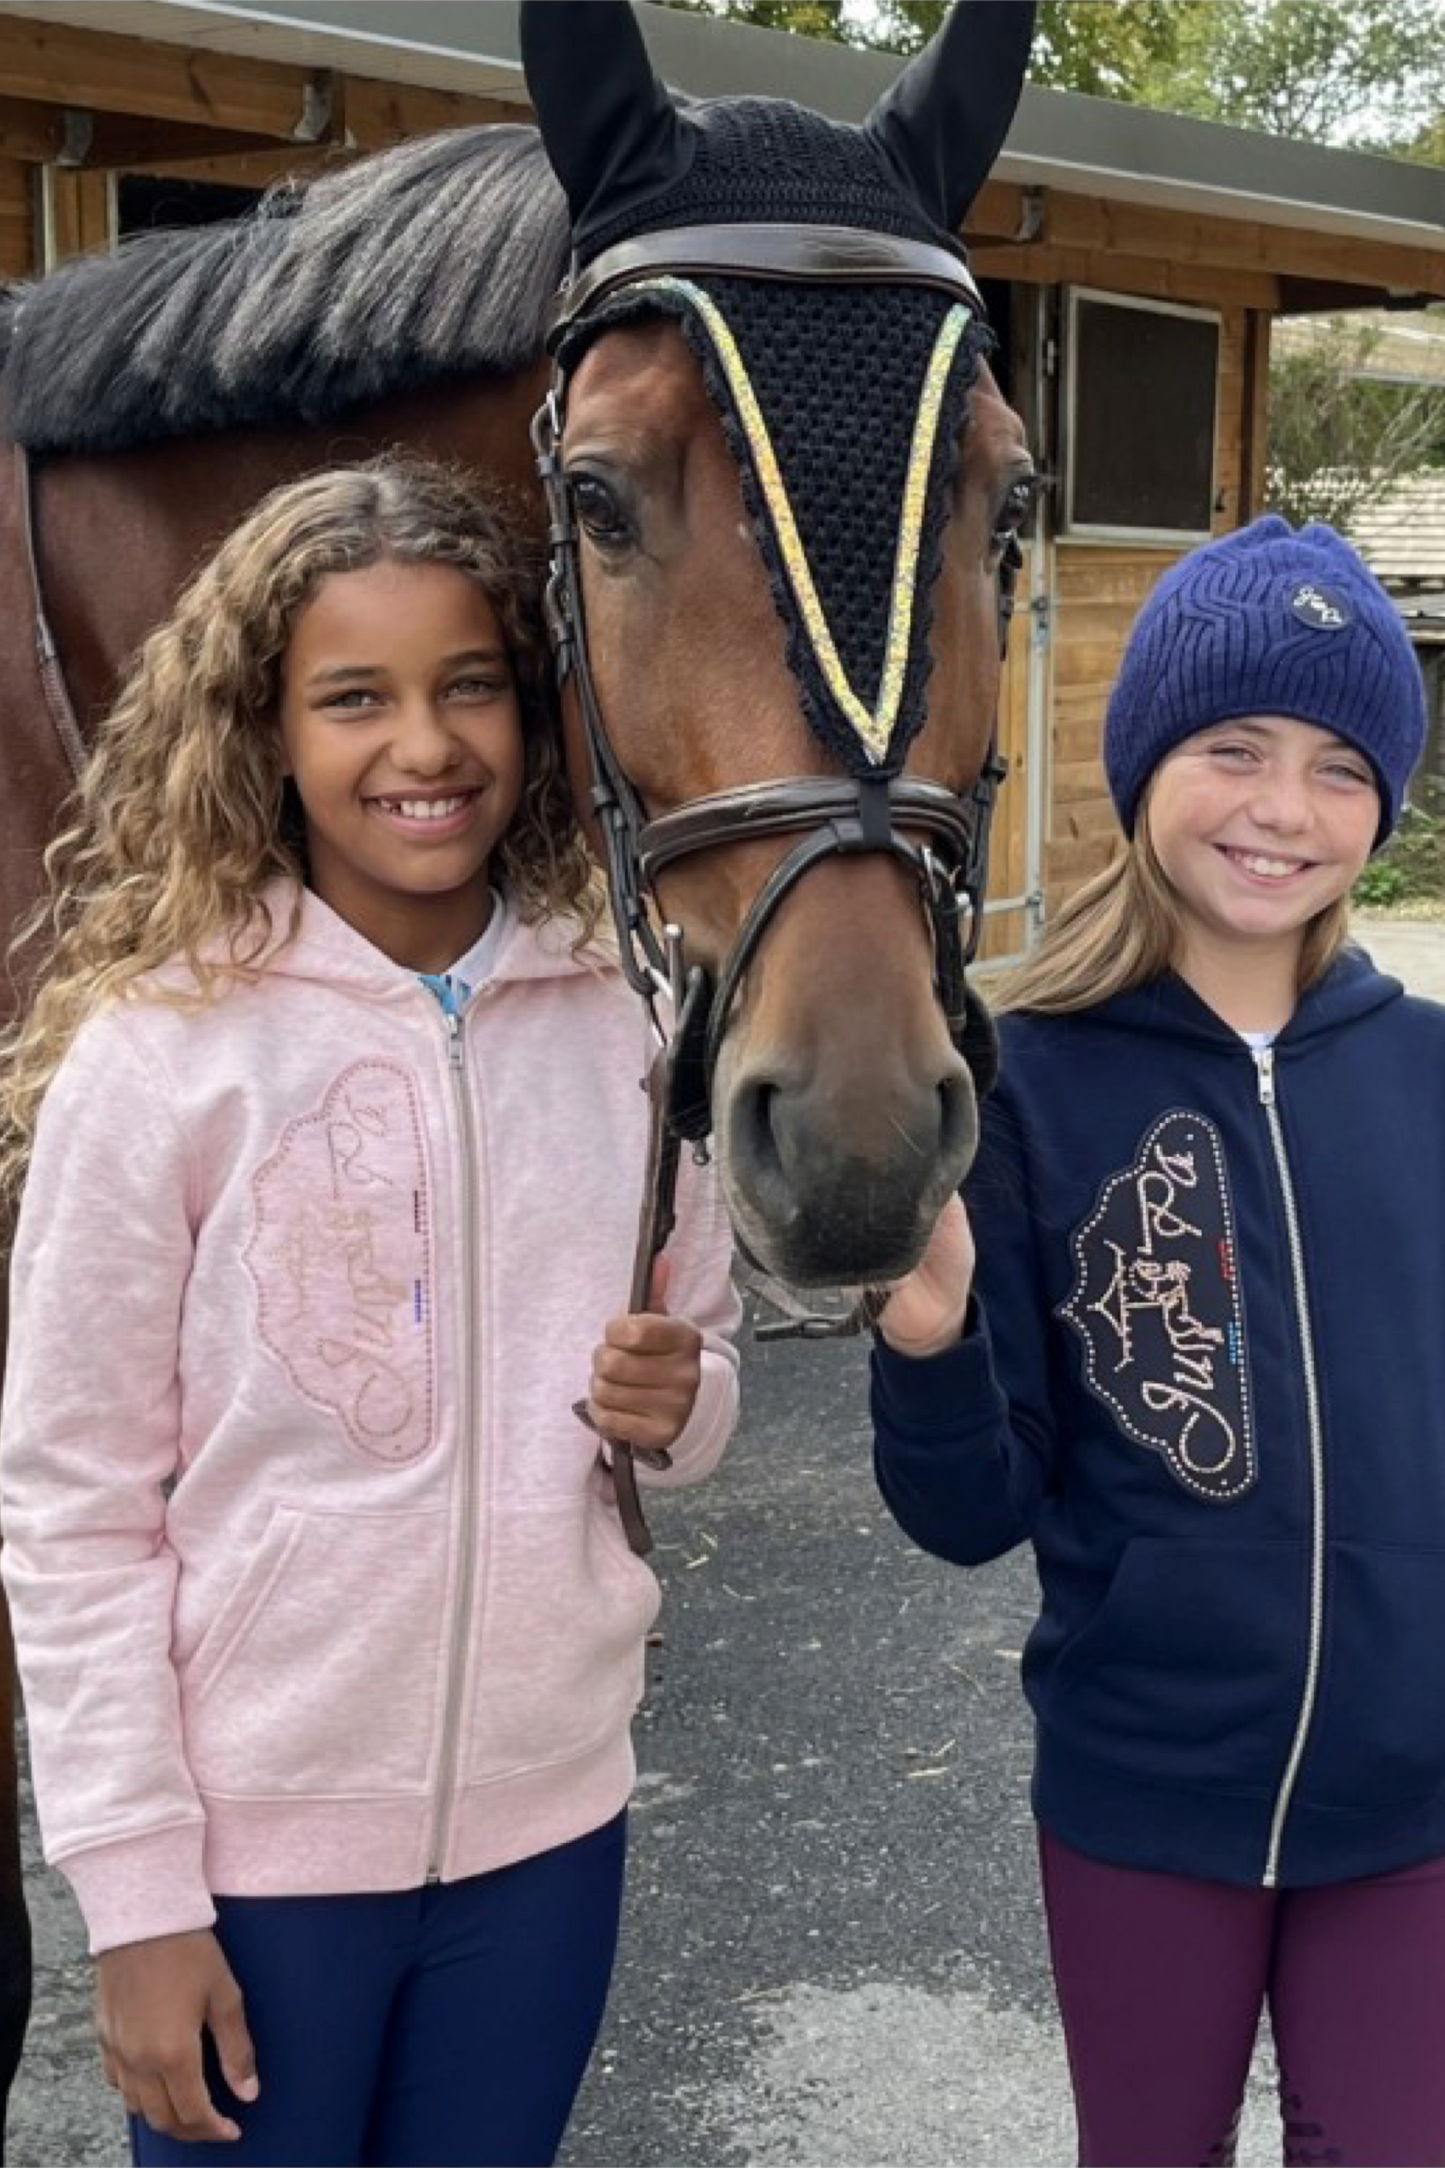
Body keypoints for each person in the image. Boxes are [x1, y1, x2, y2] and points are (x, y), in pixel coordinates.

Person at [0, 457, 740, 2168]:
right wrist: (135, 1901)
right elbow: (71, 1508)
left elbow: (698, 1370)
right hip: (252, 1873)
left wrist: (681, 1402)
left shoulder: (630, 1026)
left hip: (548, 1838)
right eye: (356, 698)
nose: (425, 746)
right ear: (263, 729)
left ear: (536, 708)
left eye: (470, 684)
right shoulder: (160, 1053)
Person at [870, 516, 1445, 2168]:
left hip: (1410, 1817)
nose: (1284, 808)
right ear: (1142, 769)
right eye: (1234, 747)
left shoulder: (1425, 1081)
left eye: (1343, 767)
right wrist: (926, 1328)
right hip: (1144, 1805)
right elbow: (973, 1510)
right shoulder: (1026, 1081)